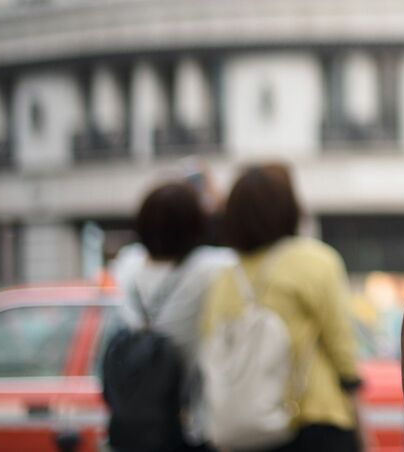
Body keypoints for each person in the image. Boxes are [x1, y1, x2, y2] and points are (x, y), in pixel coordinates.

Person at [200, 165, 364, 452]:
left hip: (245, 430)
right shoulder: (315, 260)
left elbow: (210, 348)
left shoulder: (224, 277)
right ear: (289, 207)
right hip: (316, 420)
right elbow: (342, 348)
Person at [107, 181, 237, 451]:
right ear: (197, 224)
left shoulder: (127, 264)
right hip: (189, 422)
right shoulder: (210, 269)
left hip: (136, 423)